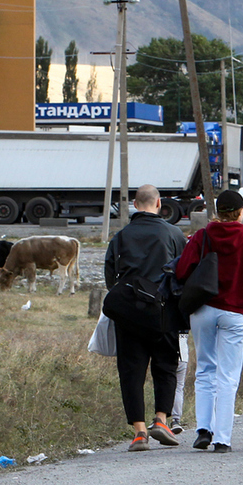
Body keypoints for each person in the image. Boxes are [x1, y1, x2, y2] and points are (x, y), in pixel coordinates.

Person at [175, 189, 243, 453]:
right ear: (239, 212)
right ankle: (222, 439)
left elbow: (182, 269)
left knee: (205, 370)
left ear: (219, 212)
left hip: (203, 310)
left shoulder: (202, 236)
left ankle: (202, 430)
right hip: (234, 313)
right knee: (228, 376)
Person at [104, 184, 187, 452]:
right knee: (165, 367)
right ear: (159, 204)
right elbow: (184, 273)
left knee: (131, 372)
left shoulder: (120, 237)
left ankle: (139, 433)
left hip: (129, 315)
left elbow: (110, 277)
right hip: (164, 313)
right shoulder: (173, 234)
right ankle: (161, 420)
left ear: (135, 205)